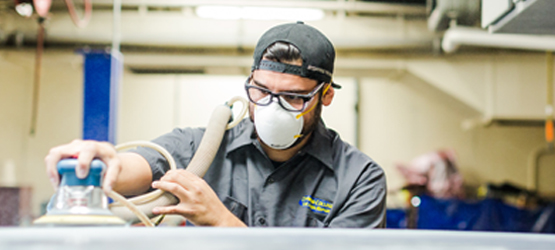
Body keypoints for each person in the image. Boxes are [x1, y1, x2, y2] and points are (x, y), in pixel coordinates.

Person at [44, 21, 387, 228]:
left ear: (325, 96)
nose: (272, 107)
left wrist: (222, 222)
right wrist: (103, 162)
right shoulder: (201, 149)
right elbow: (137, 167)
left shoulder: (358, 179)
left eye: (293, 97)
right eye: (261, 91)